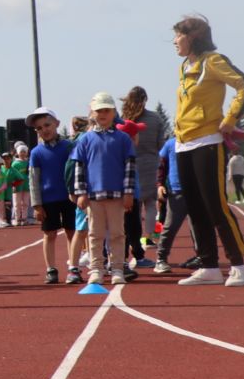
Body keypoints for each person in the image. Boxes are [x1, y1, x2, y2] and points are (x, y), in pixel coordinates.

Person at [171, 13, 244, 287]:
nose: (174, 41)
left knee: (215, 206)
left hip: (208, 142)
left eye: (178, 35)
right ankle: (208, 265)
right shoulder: (185, 66)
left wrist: (230, 119)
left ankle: (238, 265)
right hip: (183, 143)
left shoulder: (213, 62)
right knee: (194, 207)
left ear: (193, 37)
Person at [72, 91, 139, 288]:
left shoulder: (123, 139)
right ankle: (96, 270)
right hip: (93, 196)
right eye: (99, 110)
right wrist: (81, 192)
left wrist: (128, 193)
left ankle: (117, 268)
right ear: (92, 113)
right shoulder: (85, 139)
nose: (103, 114)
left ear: (113, 112)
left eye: (107, 110)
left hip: (117, 195)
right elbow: (79, 167)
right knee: (95, 234)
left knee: (118, 233)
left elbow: (130, 167)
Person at [26, 106, 79, 285]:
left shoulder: (69, 146)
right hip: (48, 200)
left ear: (56, 124)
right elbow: (33, 180)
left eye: (47, 125)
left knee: (73, 232)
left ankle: (74, 267)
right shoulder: (36, 153)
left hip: (70, 198)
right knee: (49, 234)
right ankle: (51, 269)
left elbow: (76, 170)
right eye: (39, 128)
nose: (44, 130)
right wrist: (36, 205)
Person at [120, 87, 169, 266]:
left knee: (131, 209)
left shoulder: (122, 118)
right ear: (145, 100)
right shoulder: (155, 118)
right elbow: (161, 145)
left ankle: (129, 246)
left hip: (128, 165)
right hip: (151, 163)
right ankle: (146, 238)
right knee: (150, 204)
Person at [152, 135, 191, 274]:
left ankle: (203, 257)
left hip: (197, 192)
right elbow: (160, 165)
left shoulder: (200, 142)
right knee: (170, 226)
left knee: (199, 227)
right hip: (177, 191)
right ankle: (161, 259)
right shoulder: (170, 144)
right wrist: (160, 184)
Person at [227, 135, 244, 203]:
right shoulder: (242, 158)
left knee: (237, 187)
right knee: (240, 186)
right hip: (241, 174)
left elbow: (230, 168)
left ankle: (238, 199)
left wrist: (230, 177)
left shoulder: (232, 159)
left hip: (235, 175)